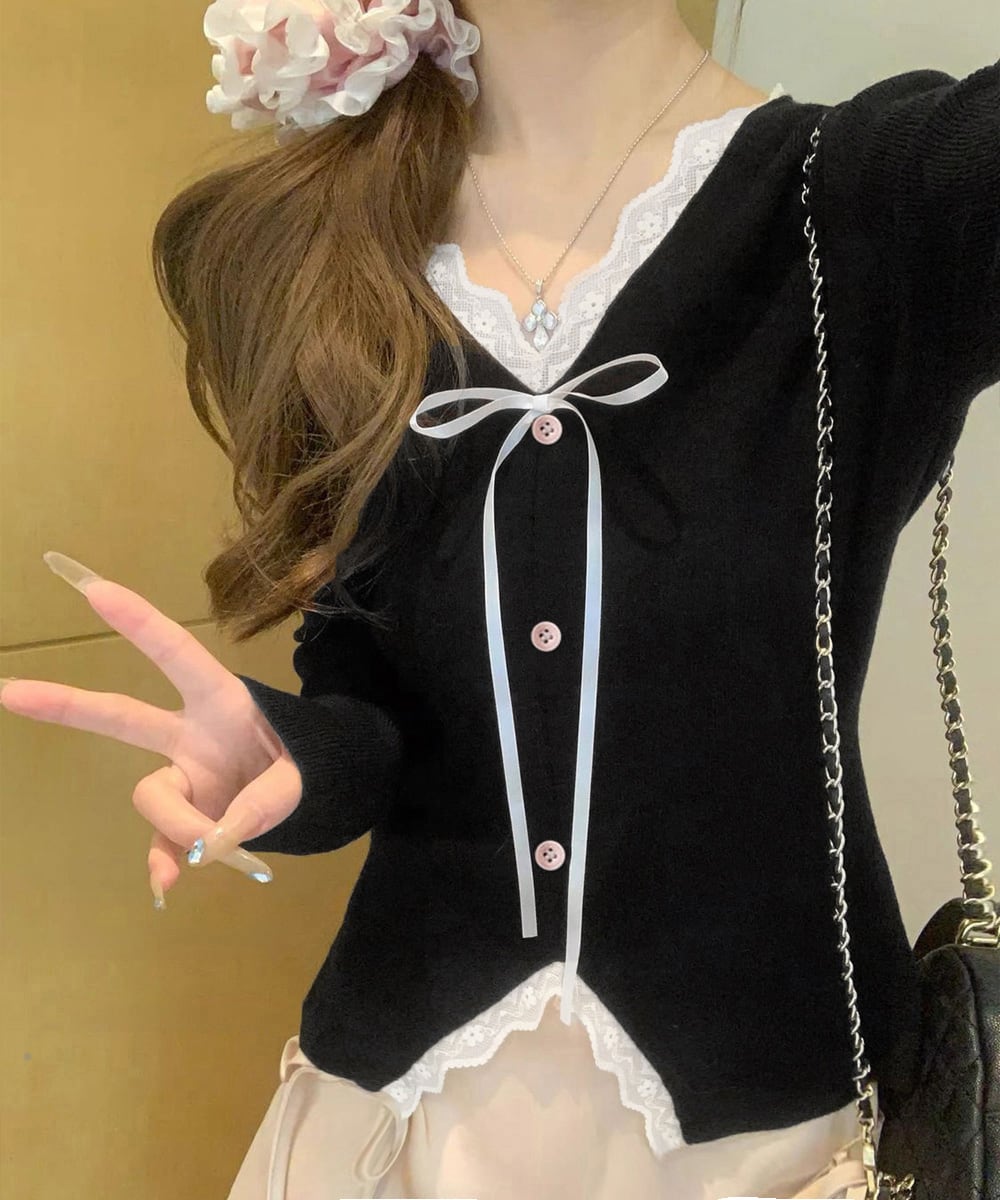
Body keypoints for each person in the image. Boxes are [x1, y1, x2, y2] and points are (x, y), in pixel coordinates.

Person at [2, 2, 997, 1197]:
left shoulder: (886, 200)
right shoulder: (292, 239)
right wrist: (293, 757)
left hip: (772, 1136)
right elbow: (369, 689)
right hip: (398, 1121)